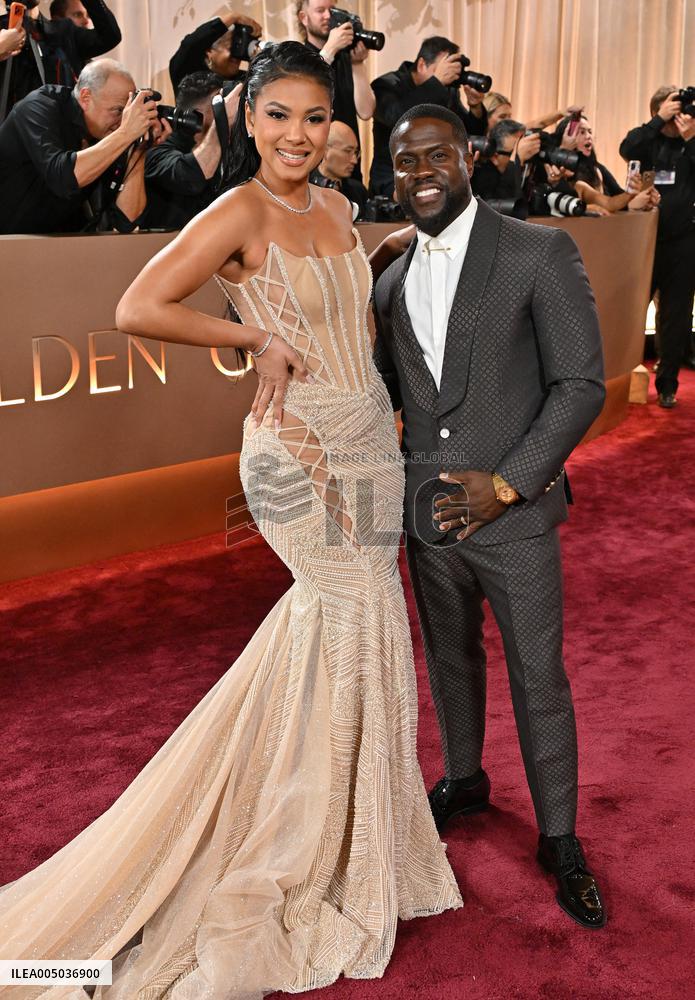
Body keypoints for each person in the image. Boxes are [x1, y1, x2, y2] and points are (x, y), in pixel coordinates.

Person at [0, 43, 461, 996]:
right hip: (292, 449)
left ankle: (344, 826)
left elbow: (351, 312)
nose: (298, 134)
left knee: (361, 622)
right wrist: (252, 334)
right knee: (348, 611)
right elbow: (139, 305)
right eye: (279, 115)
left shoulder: (335, 204)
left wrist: (389, 252)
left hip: (372, 437)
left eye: (314, 115)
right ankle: (294, 838)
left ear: (335, 121)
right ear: (247, 118)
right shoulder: (237, 209)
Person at [373, 103, 608, 929]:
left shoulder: (537, 249)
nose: (421, 173)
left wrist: (506, 486)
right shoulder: (390, 278)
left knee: (536, 676)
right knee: (449, 658)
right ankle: (465, 780)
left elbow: (580, 385)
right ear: (390, 171)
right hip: (426, 516)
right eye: (405, 162)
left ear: (469, 157)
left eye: (437, 156)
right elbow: (395, 399)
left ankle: (559, 838)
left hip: (514, 515)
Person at [0, 58, 170, 235]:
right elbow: (63, 178)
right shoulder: (39, 106)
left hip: (51, 246)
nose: (123, 121)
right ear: (85, 97)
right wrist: (126, 133)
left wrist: (139, 149)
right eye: (119, 111)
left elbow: (127, 221)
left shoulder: (112, 135)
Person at [620, 85, 695, 407]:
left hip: (684, 244)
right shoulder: (648, 141)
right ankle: (619, 381)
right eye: (670, 110)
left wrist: (691, 139)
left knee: (676, 317)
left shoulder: (690, 144)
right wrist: (656, 122)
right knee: (631, 311)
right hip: (644, 241)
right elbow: (627, 147)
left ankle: (667, 384)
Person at [369, 36, 485, 199]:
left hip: (434, 178)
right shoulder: (387, 84)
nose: (447, 77)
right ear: (422, 64)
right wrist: (436, 83)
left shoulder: (444, 90)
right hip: (392, 178)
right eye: (443, 70)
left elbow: (465, 132)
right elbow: (396, 118)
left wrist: (476, 107)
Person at [143, 72, 241, 231]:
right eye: (220, 103)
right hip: (164, 249)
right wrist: (222, 121)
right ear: (196, 114)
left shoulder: (234, 147)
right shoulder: (156, 148)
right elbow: (188, 177)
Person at [0, 0, 121, 119]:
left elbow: (109, 37)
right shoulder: (3, 35)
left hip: (59, 133)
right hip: (13, 131)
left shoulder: (64, 32)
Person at [297, 0, 375, 183]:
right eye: (320, 11)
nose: (328, 16)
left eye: (332, 10)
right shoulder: (297, 57)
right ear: (304, 18)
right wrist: (330, 48)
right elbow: (302, 91)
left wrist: (357, 64)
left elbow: (366, 111)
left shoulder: (345, 57)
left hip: (348, 166)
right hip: (315, 168)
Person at [552, 112, 659, 214]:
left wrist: (638, 198)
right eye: (582, 132)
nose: (589, 136)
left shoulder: (597, 168)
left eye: (590, 132)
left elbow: (615, 199)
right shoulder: (555, 170)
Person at [169, 7, 262, 96]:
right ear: (209, 51)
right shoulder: (187, 74)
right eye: (232, 47)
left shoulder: (243, 79)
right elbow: (190, 44)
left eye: (238, 47)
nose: (237, 55)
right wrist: (234, 17)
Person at [309, 119, 368, 217]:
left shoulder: (358, 191)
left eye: (356, 153)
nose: (354, 161)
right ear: (325, 150)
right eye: (347, 151)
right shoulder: (304, 188)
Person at [471, 118, 528, 218]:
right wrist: (516, 161)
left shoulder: (531, 165)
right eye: (513, 152)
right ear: (495, 157)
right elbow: (512, 212)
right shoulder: (481, 178)